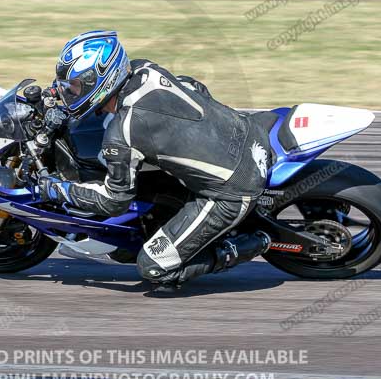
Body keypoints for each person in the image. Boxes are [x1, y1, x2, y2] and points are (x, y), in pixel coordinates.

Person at [39, 31, 276, 294]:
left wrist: (58, 189)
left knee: (153, 267)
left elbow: (113, 200)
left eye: (75, 86)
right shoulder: (145, 69)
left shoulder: (123, 133)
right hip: (248, 130)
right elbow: (195, 87)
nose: (70, 93)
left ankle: (248, 245)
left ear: (100, 80)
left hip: (232, 190)